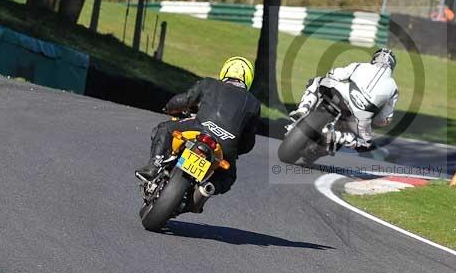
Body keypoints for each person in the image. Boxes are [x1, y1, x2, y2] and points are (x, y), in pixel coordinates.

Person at [136, 56, 261, 212]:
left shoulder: (209, 83)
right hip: (225, 147)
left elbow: (185, 100)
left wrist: (169, 108)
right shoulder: (254, 104)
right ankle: (205, 190)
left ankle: (153, 166)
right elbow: (248, 142)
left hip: (198, 129)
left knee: (165, 128)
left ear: (225, 71)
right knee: (228, 177)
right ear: (248, 79)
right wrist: (234, 151)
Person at [289, 48, 399, 150]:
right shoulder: (394, 87)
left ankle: (303, 109)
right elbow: (384, 119)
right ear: (392, 66)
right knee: (366, 143)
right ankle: (338, 137)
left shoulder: (360, 65)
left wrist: (331, 79)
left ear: (375, 58)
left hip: (342, 95)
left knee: (316, 81)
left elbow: (333, 74)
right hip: (360, 117)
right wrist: (373, 119)